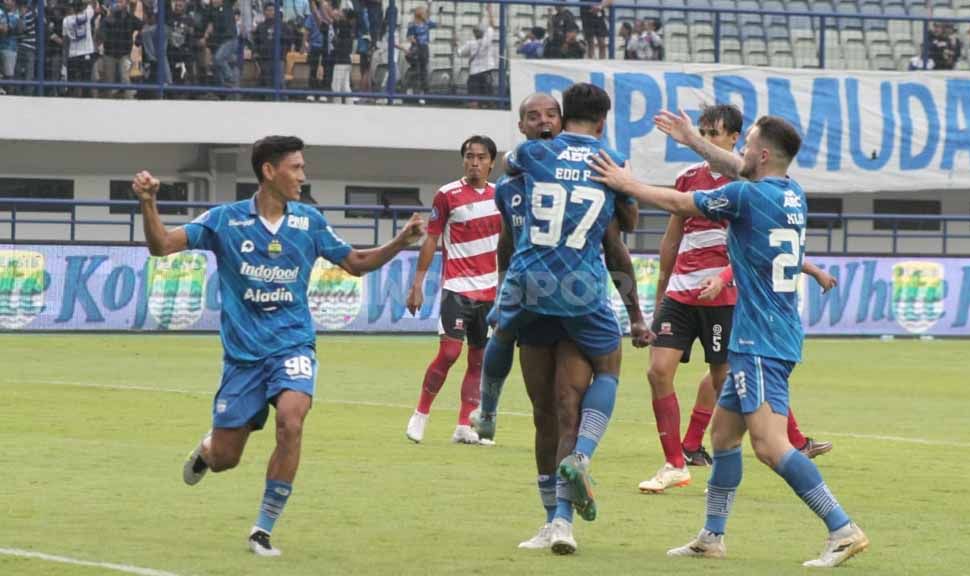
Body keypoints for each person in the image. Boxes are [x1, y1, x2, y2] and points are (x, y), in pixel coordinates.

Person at [589, 111, 869, 568]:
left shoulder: (745, 196)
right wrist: (690, 139)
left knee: (769, 445)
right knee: (722, 436)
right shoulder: (791, 192)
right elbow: (738, 167)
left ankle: (842, 528)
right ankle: (712, 536)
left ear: (760, 154)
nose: (738, 153)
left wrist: (628, 183)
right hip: (764, 336)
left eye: (745, 146)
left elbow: (680, 204)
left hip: (761, 341)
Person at [132, 135, 424, 557]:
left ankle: (261, 530)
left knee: (292, 420)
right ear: (269, 171)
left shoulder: (309, 222)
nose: (303, 177)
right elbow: (161, 246)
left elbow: (355, 264)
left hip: (293, 347)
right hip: (243, 359)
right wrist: (148, 203)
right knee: (226, 457)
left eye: (303, 168)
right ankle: (207, 450)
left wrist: (399, 242)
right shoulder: (224, 221)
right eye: (296, 168)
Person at [482, 92, 652, 553]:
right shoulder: (608, 161)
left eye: (549, 115)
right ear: (603, 120)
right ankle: (559, 506)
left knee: (557, 409)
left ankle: (557, 518)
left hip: (531, 290)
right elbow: (626, 232)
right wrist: (636, 315)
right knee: (560, 407)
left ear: (561, 119)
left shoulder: (527, 161)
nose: (542, 122)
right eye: (534, 116)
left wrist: (504, 291)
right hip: (581, 291)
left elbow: (508, 225)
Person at [637, 104, 834, 495]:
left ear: (734, 140)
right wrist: (660, 293)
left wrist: (626, 182)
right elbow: (673, 236)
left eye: (717, 134)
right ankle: (678, 465)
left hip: (729, 298)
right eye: (703, 132)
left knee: (733, 388)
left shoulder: (749, 188)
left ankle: (798, 459)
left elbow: (764, 246)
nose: (709, 139)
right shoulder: (692, 178)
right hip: (684, 290)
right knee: (661, 372)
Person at [405, 135, 502, 445]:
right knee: (449, 353)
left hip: (489, 292)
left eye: (481, 157)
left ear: (491, 162)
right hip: (456, 288)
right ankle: (420, 414)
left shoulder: (501, 196)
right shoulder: (447, 195)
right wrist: (417, 284)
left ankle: (464, 425)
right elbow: (431, 239)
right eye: (469, 156)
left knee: (479, 360)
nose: (474, 162)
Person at [455, 4, 496, 107]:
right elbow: (492, 25)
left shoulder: (471, 43)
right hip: (487, 71)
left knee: (473, 100)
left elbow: (459, 53)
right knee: (488, 99)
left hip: (474, 73)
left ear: (474, 33)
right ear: (484, 32)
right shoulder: (487, 39)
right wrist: (490, 11)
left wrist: (455, 43)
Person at [405, 1, 436, 96]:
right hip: (417, 48)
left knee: (424, 70)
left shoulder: (427, 23)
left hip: (424, 48)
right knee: (416, 70)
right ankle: (415, 91)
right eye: (424, 13)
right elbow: (409, 36)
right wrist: (413, 40)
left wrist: (430, 6)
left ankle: (425, 92)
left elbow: (436, 24)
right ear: (420, 14)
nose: (426, 14)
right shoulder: (412, 24)